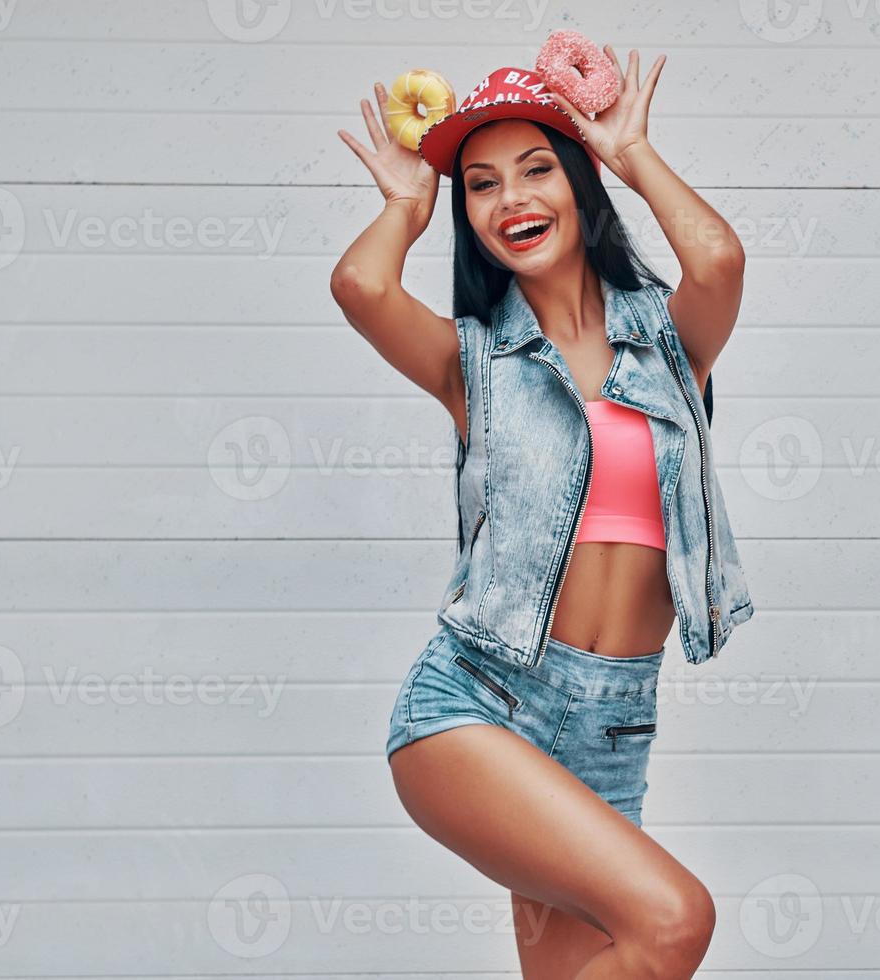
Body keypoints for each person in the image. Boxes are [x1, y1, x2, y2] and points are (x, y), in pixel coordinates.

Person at [332, 50, 754, 978]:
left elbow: (717, 259)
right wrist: (409, 204)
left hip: (611, 727)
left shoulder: (670, 347)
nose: (507, 198)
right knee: (675, 921)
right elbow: (362, 289)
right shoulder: (471, 366)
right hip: (478, 699)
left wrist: (629, 148)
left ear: (578, 185)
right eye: (479, 184)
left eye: (534, 169)